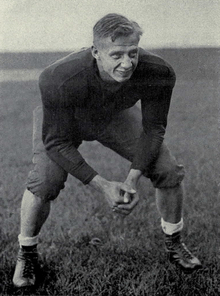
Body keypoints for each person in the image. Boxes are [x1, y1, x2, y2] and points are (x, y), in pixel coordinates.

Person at [13, 13, 202, 287]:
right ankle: (26, 253)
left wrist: (131, 179)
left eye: (132, 53)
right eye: (116, 55)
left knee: (168, 170)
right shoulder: (59, 77)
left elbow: (154, 129)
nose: (127, 64)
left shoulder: (158, 71)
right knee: (45, 181)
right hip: (65, 122)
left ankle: (175, 243)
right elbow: (56, 142)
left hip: (114, 117)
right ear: (95, 53)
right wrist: (102, 185)